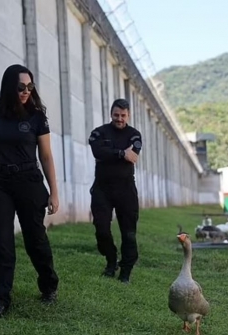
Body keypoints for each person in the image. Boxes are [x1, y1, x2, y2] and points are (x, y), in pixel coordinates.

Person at [0, 64, 60, 318]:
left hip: (29, 181)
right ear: (10, 87)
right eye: (21, 87)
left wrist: (54, 192)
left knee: (35, 240)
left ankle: (49, 286)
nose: (26, 91)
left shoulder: (37, 118)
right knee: (0, 242)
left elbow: (46, 156)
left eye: (30, 87)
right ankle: (0, 298)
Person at [88, 98, 142, 284]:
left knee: (129, 233)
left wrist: (110, 151)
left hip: (126, 189)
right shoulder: (99, 132)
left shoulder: (134, 134)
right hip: (102, 189)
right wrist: (120, 153)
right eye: (116, 115)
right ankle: (111, 261)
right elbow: (97, 151)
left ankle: (125, 271)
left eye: (123, 115)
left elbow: (133, 154)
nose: (119, 119)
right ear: (111, 114)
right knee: (101, 229)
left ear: (128, 115)